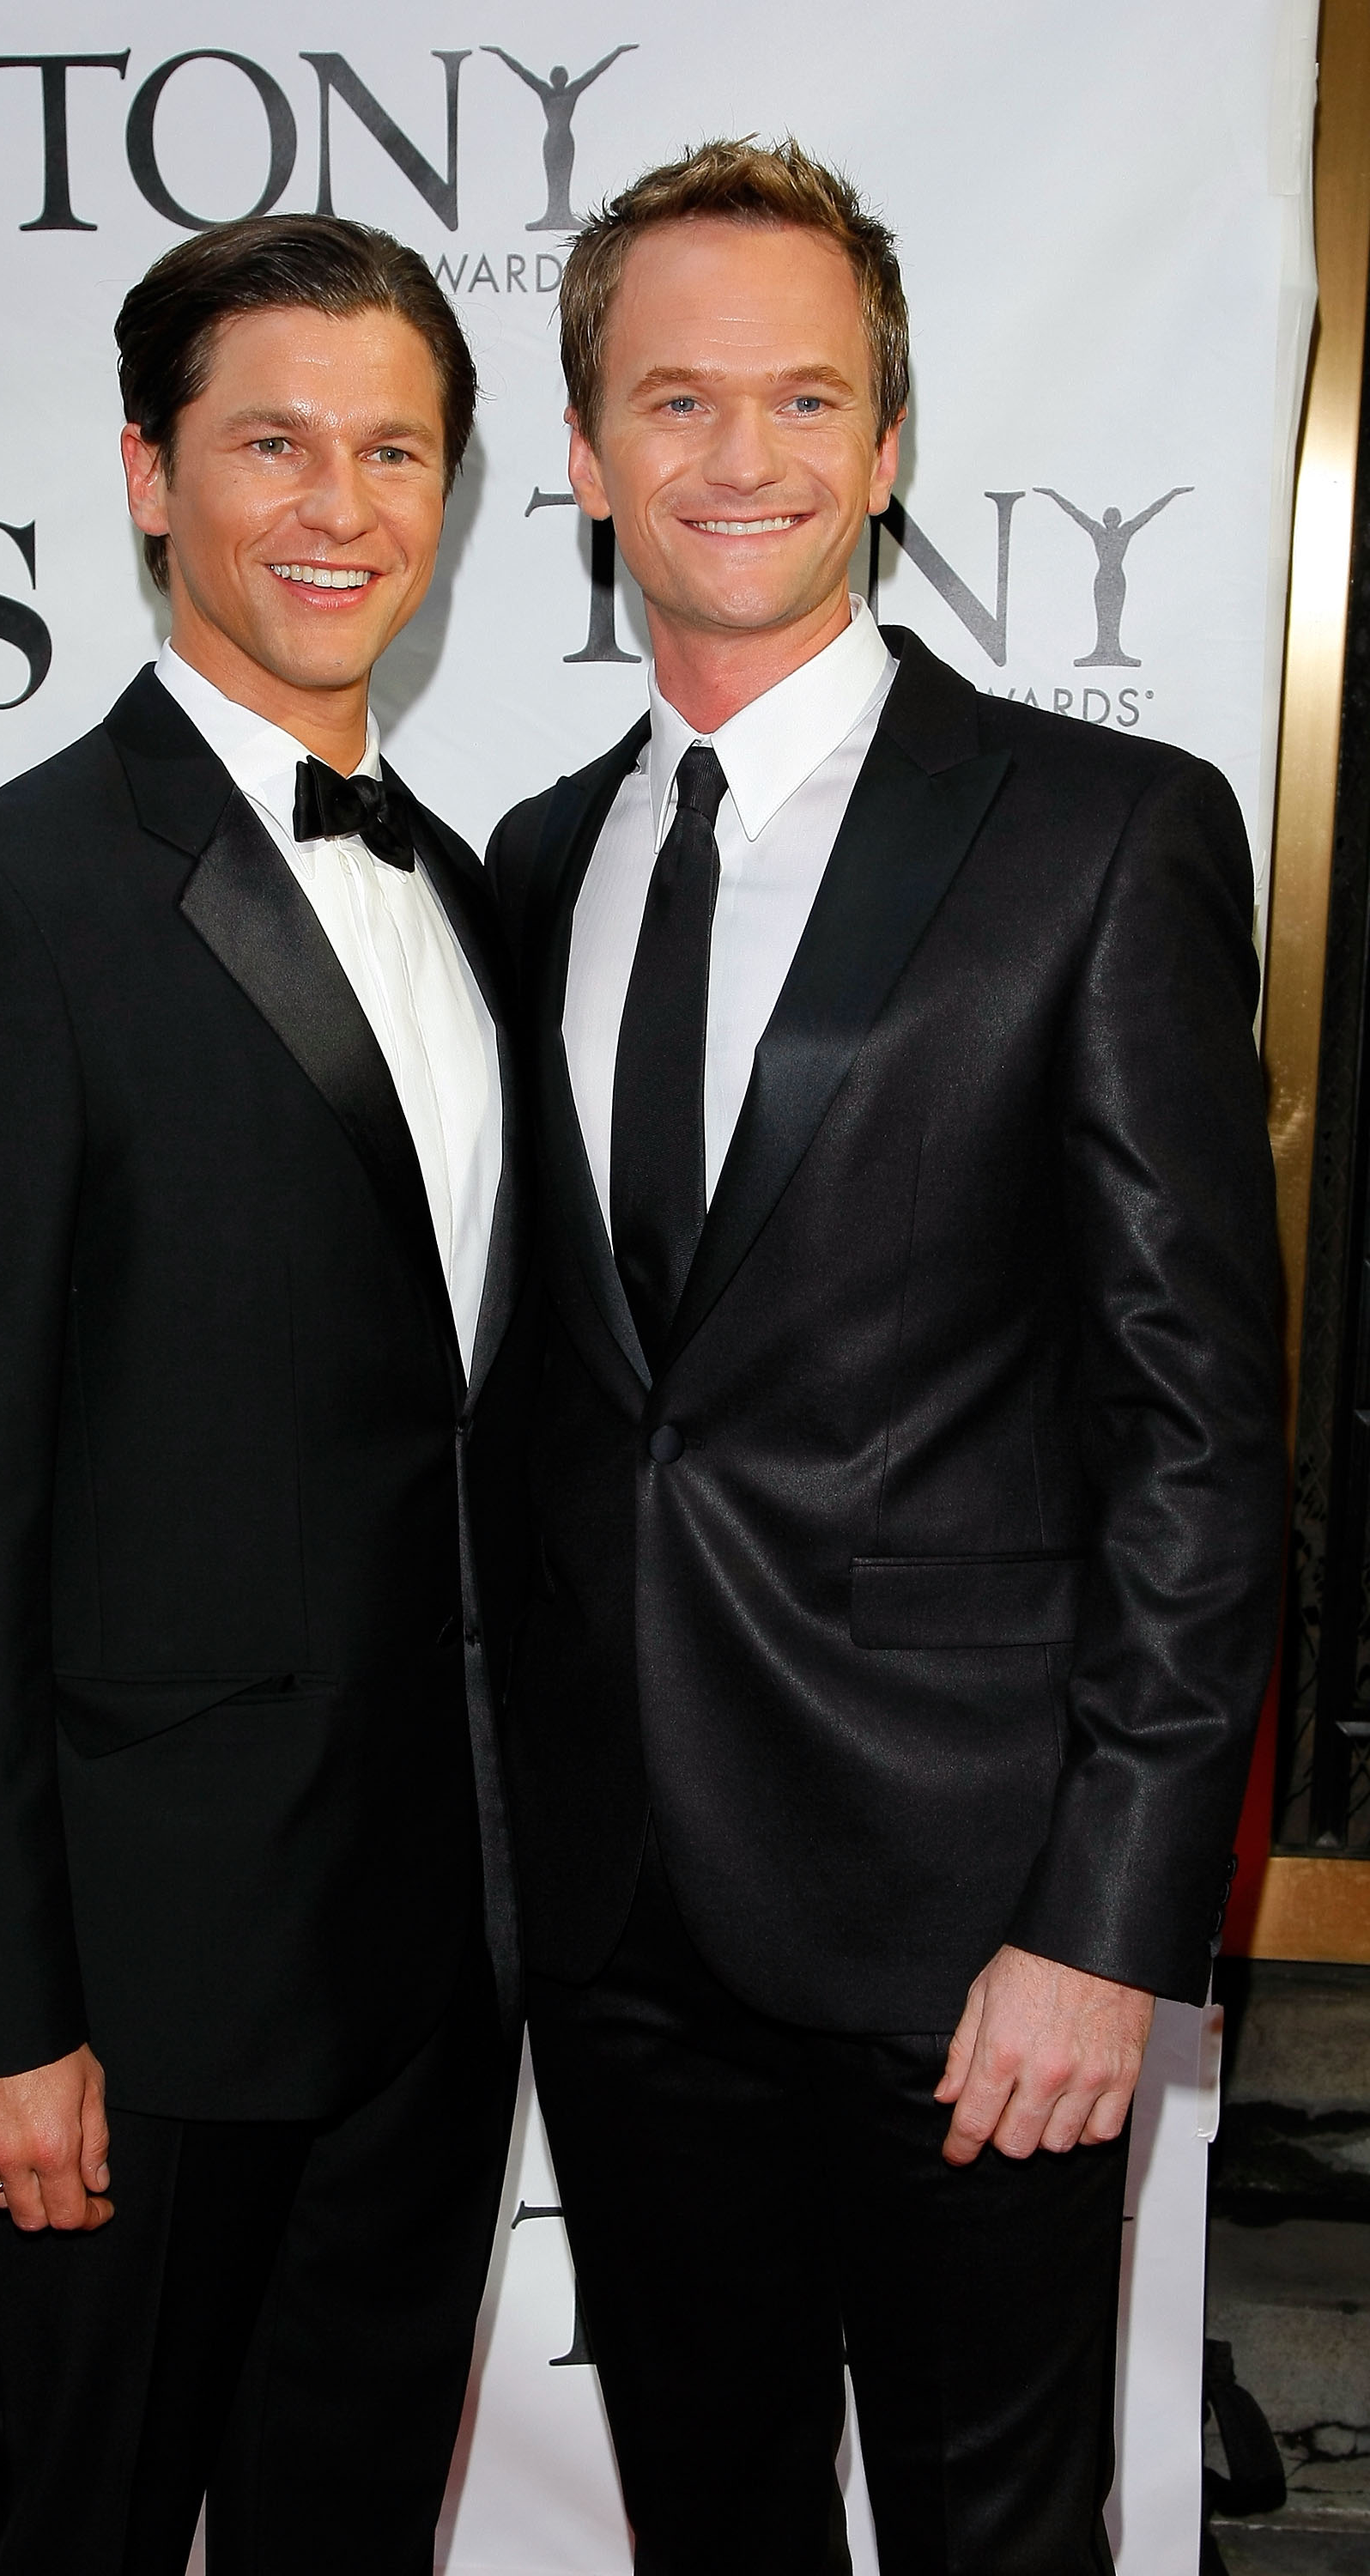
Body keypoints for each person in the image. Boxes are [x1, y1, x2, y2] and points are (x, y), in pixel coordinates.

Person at [487, 138, 1284, 2574]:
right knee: (708, 2523)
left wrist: (1105, 1929)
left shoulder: (1102, 831)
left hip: (974, 1929)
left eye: (808, 398)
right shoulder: (529, 859)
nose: (747, 458)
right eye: (682, 400)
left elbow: (1197, 1429)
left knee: (987, 2534)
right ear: (593, 448)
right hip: (616, 1913)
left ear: (893, 438)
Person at [0, 214, 530, 2576]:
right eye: (273, 444)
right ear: (147, 476)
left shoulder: (486, 896)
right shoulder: (1, 905)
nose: (342, 507)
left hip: (444, 1963)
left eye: (397, 449)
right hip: (138, 1995)